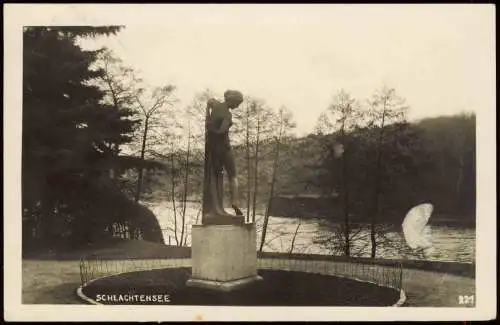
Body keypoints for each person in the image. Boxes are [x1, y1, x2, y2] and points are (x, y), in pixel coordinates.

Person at [206, 90, 244, 216]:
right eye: (237, 104)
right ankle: (235, 202)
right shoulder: (227, 114)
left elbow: (211, 103)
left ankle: (218, 206)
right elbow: (222, 130)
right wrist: (225, 127)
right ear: (232, 101)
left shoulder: (216, 107)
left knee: (218, 175)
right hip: (224, 147)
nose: (237, 106)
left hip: (214, 149)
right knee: (233, 176)